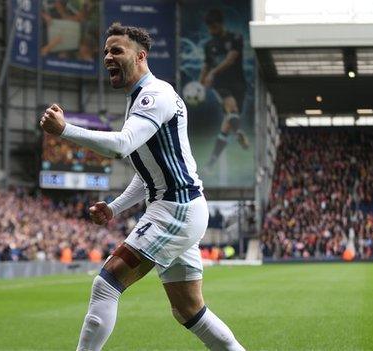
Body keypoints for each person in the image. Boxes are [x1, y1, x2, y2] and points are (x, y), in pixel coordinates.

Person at [40, 23, 244, 351]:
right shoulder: (140, 98)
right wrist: (114, 207)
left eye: (116, 50)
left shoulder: (154, 95)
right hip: (180, 207)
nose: (108, 56)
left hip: (175, 208)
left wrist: (65, 130)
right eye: (106, 51)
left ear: (140, 57)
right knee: (188, 310)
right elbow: (146, 171)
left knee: (106, 285)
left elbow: (122, 145)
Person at [200, 8, 249, 170]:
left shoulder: (235, 38)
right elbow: (206, 65)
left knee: (227, 123)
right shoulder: (209, 45)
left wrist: (212, 72)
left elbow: (231, 59)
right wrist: (201, 83)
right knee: (231, 108)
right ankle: (239, 132)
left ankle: (212, 161)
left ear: (220, 24)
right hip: (220, 85)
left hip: (238, 84)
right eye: (209, 27)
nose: (211, 30)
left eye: (213, 26)